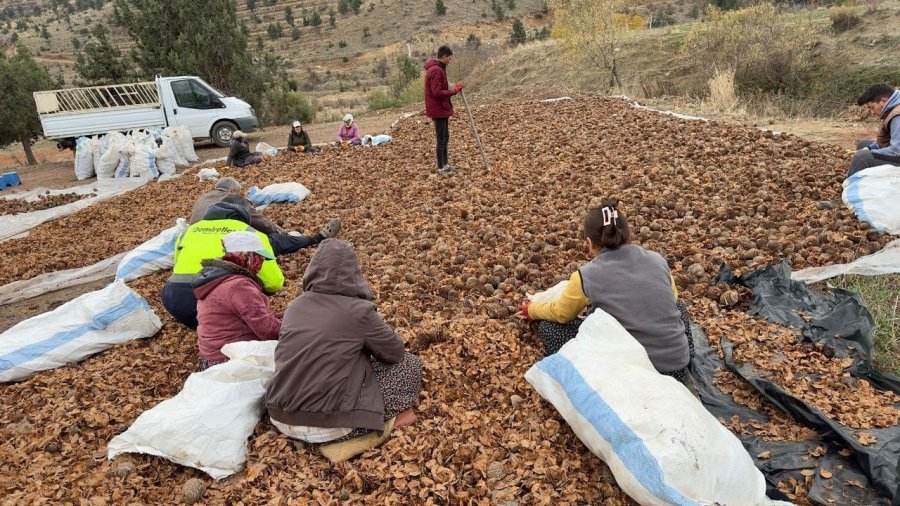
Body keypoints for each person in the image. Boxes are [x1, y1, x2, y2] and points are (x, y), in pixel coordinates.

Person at [516, 201, 694, 384]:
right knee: (680, 307)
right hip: (676, 367)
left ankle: (585, 380)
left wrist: (532, 310)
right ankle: (690, 360)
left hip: (628, 375)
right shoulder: (658, 261)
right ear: (628, 235)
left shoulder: (586, 276)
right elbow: (671, 299)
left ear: (589, 243)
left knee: (549, 328)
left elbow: (561, 313)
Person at [266, 239, 422, 444]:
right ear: (353, 273)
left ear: (312, 269)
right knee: (410, 366)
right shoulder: (358, 310)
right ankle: (384, 425)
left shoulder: (295, 306)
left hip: (280, 417)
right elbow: (395, 353)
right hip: (328, 426)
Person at [162, 202, 340, 328]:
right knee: (272, 248)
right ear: (243, 219)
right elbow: (275, 283)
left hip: (175, 301)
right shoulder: (248, 232)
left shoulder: (188, 231)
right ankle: (314, 239)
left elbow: (178, 264)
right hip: (219, 308)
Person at [193, 231, 283, 370]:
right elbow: (267, 330)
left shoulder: (218, 279)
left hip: (212, 358)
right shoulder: (240, 286)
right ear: (245, 255)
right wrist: (298, 327)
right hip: (231, 360)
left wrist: (287, 316)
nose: (261, 262)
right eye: (258, 257)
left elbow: (255, 316)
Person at [188, 177, 341, 255]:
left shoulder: (201, 199)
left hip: (195, 247)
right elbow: (262, 223)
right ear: (233, 190)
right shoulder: (233, 199)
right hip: (224, 247)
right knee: (276, 240)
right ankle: (316, 238)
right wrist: (282, 233)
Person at [424, 45, 463, 175]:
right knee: (441, 138)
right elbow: (436, 92)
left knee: (445, 137)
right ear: (444, 56)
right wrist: (453, 91)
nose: (450, 61)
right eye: (449, 59)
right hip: (438, 109)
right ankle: (441, 167)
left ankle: (445, 165)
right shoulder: (436, 70)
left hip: (441, 108)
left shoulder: (438, 68)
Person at [850, 84, 900, 177]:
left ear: (883, 101)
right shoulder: (894, 108)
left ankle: (852, 188)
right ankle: (869, 178)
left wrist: (869, 153)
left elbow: (897, 151)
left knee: (861, 158)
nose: (872, 112)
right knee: (863, 144)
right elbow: (888, 142)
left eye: (872, 107)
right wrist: (870, 148)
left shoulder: (897, 116)